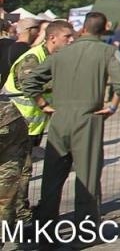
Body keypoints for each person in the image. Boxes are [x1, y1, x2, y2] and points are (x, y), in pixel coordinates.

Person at [20, 12, 120, 228]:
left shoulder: (61, 53)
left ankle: (46, 230)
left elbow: (30, 81)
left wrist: (43, 104)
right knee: (87, 178)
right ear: (104, 29)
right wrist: (112, 106)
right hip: (88, 119)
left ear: (83, 28)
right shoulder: (108, 51)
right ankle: (85, 230)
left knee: (51, 179)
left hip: (59, 119)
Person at [0, 18, 71, 227]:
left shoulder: (49, 57)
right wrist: (46, 101)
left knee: (18, 174)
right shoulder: (33, 57)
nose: (71, 40)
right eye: (67, 37)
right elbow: (28, 85)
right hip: (15, 122)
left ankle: (16, 217)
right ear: (53, 38)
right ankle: (21, 215)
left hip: (26, 124)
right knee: (19, 173)